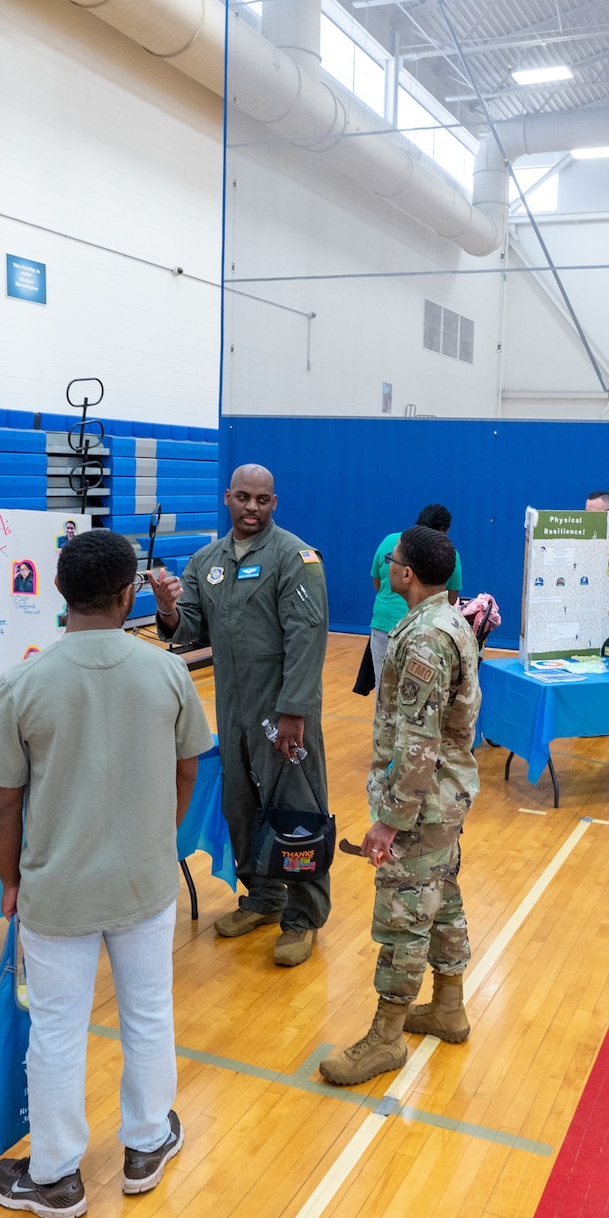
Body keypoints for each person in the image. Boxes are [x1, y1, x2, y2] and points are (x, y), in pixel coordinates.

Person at [0, 529, 207, 1218]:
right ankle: (145, 1142)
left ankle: (54, 1175)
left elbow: (1, 798)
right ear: (127, 591)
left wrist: (11, 878)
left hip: (57, 888)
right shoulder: (165, 670)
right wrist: (159, 835)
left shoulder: (22, 681)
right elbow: (189, 762)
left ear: (59, 591)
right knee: (148, 1010)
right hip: (144, 881)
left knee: (55, 1027)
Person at [320, 525, 483, 1085]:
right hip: (447, 796)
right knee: (444, 899)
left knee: (403, 918)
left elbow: (418, 743)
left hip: (422, 803)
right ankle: (448, 1006)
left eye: (392, 560)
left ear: (405, 573)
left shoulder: (423, 640)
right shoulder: (450, 621)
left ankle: (386, 1038)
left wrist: (389, 822)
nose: (387, 565)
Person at [151, 464, 330, 967]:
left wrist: (294, 711)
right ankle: (264, 897)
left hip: (283, 707)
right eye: (244, 498)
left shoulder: (296, 558)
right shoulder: (205, 561)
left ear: (275, 503)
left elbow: (307, 637)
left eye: (263, 500)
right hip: (232, 706)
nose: (253, 508)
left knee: (297, 812)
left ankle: (303, 916)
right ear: (227, 498)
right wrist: (167, 610)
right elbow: (187, 629)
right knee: (241, 806)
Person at [369, 503, 463, 686]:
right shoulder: (448, 552)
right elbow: (450, 599)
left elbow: (377, 583)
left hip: (384, 624)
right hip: (425, 632)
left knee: (384, 691)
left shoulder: (391, 541)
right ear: (445, 529)